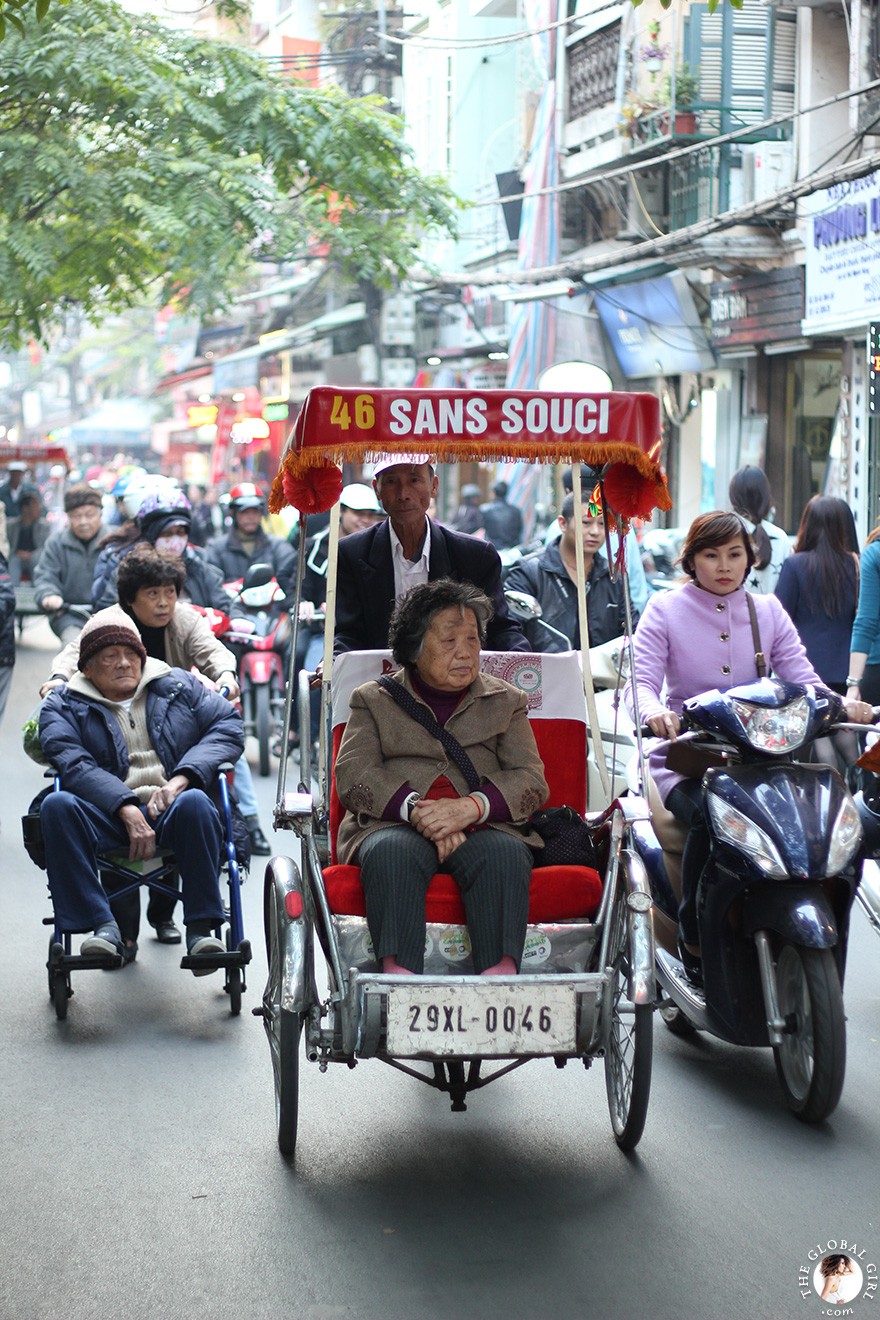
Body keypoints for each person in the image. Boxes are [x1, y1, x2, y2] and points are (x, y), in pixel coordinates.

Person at [624, 511, 872, 983]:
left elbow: (804, 679)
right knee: (709, 816)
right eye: (711, 555)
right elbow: (641, 681)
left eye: (734, 554)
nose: (724, 565)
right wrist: (654, 712)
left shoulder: (768, 611)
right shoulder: (664, 609)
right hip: (687, 761)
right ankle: (693, 933)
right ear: (692, 560)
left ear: (750, 558)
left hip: (763, 760)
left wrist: (844, 706)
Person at [334, 579, 549, 975]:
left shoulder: (507, 701)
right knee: (392, 853)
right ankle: (398, 979)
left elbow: (532, 780)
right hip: (392, 822)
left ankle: (500, 981)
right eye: (449, 641)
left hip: (485, 825)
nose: (465, 652)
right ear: (414, 647)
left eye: (472, 639)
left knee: (504, 855)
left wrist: (471, 808)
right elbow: (353, 773)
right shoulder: (372, 699)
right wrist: (419, 812)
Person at [38, 610, 245, 969]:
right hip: (105, 812)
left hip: (172, 806)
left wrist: (182, 779)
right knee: (56, 806)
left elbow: (227, 726)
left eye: (131, 654)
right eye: (109, 656)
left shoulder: (179, 685)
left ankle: (201, 929)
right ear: (86, 667)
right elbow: (72, 761)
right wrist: (125, 805)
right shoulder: (63, 704)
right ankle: (104, 927)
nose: (123, 663)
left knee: (197, 801)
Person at [41, 542, 270, 865]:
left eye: (170, 592)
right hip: (120, 732)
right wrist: (59, 679)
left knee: (222, 755)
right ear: (130, 598)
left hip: (173, 724)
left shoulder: (185, 619)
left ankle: (251, 822)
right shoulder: (108, 622)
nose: (163, 603)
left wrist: (226, 676)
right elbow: (73, 655)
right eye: (152, 594)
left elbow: (213, 651)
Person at [334, 455, 529, 654]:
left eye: (414, 480)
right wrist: (334, 663)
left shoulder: (475, 556)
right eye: (392, 481)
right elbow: (348, 633)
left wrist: (523, 663)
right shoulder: (352, 553)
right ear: (377, 489)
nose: (403, 494)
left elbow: (499, 628)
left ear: (434, 486)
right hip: (377, 681)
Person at [505, 491, 637, 651]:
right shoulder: (529, 571)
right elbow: (509, 631)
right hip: (546, 671)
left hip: (601, 673)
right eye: (586, 523)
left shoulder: (614, 576)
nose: (595, 531)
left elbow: (632, 629)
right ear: (563, 523)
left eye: (602, 524)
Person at [92, 490, 231, 613]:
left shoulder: (199, 566)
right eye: (167, 533)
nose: (175, 542)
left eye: (180, 533)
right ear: (151, 533)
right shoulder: (127, 569)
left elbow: (224, 604)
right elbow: (106, 610)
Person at [776, 496, 859, 693]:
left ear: (807, 525)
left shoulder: (794, 565)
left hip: (801, 671)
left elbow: (779, 620)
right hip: (848, 674)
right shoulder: (857, 566)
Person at [33, 484, 108, 643]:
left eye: (89, 515)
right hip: (69, 615)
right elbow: (45, 575)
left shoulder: (114, 542)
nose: (83, 522)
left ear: (100, 514)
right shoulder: (57, 542)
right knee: (72, 649)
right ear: (68, 517)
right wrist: (49, 595)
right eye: (76, 516)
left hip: (110, 615)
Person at [205, 482, 296, 600]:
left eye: (255, 511)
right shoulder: (216, 549)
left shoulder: (277, 546)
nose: (250, 516)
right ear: (233, 513)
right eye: (244, 511)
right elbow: (212, 587)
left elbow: (290, 579)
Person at [729, 465, 792, 594]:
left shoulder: (726, 534)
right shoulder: (781, 538)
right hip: (774, 614)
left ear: (733, 497)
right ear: (766, 497)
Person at [7, 489, 50, 585]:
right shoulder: (10, 526)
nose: (40, 508)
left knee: (36, 559)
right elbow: (5, 546)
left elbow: (46, 547)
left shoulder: (44, 526)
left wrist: (30, 555)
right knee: (13, 562)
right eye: (36, 505)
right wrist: (17, 553)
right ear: (25, 508)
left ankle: (39, 588)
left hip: (36, 557)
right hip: (16, 556)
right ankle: (12, 592)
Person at [480, 480, 523, 551]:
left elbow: (481, 529)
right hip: (512, 550)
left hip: (492, 550)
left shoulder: (485, 510)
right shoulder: (516, 511)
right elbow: (520, 531)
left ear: (493, 493)